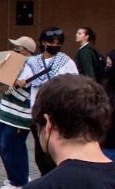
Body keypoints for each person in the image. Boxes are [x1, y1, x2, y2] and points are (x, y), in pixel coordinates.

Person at [17, 27, 78, 176]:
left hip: (57, 112)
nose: (55, 45)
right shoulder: (33, 61)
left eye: (58, 42)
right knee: (40, 153)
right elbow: (23, 80)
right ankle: (47, 177)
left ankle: (56, 176)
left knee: (55, 148)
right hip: (38, 111)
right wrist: (20, 82)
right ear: (44, 42)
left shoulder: (66, 61)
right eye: (51, 42)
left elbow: (74, 82)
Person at [0, 36, 38, 189]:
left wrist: (10, 84)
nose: (13, 49)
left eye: (17, 47)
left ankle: (20, 180)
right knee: (1, 143)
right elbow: (8, 89)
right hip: (7, 110)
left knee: (12, 146)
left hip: (20, 115)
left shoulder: (31, 66)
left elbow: (20, 90)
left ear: (25, 50)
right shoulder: (16, 62)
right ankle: (15, 175)